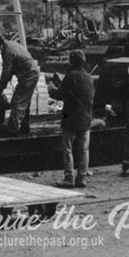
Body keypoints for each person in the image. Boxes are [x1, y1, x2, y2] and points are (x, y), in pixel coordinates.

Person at [48, 50, 94, 189]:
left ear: (70, 61)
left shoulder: (70, 76)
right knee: (84, 149)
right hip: (86, 117)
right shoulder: (89, 77)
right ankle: (82, 178)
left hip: (70, 117)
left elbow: (59, 94)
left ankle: (69, 178)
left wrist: (51, 88)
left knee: (68, 148)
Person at [0, 33, 40, 135]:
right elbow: (9, 72)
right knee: (24, 102)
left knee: (17, 102)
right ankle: (24, 128)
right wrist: (1, 85)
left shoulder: (7, 51)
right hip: (29, 73)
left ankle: (13, 129)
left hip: (29, 75)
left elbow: (6, 73)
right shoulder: (9, 46)